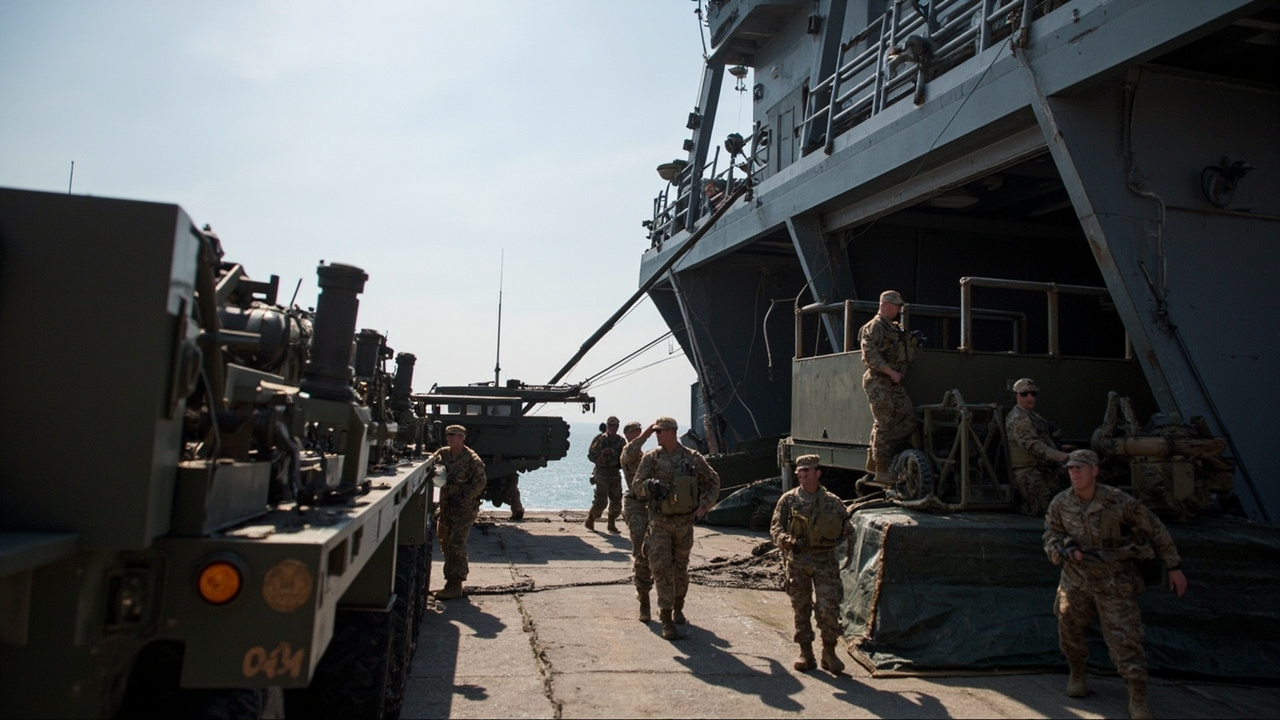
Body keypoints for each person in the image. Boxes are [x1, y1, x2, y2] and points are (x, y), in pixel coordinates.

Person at [1043, 449, 1189, 720]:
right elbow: (1051, 534)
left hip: (1115, 580)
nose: (1074, 473)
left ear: (1094, 471)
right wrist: (1062, 550)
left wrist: (1174, 566)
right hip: (1076, 579)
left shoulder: (1118, 501)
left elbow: (1155, 529)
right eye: (1071, 469)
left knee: (1126, 640)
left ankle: (1137, 696)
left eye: (1080, 468)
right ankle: (1077, 673)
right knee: (1069, 629)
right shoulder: (1061, 503)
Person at [633, 416, 720, 640]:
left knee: (680, 569)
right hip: (659, 523)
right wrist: (648, 485)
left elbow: (712, 481)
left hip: (684, 524)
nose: (656, 435)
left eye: (660, 432)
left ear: (672, 432)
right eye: (655, 432)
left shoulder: (692, 458)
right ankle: (666, 617)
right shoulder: (651, 459)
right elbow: (636, 487)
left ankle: (678, 606)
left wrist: (703, 507)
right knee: (660, 569)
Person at [770, 455, 853, 674]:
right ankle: (806, 653)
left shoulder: (832, 502)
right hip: (798, 561)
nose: (801, 474)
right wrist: (787, 541)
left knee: (828, 608)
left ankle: (829, 652)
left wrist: (843, 533)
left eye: (806, 470)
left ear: (818, 473)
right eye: (799, 471)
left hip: (825, 562)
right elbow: (776, 528)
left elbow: (847, 527)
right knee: (801, 608)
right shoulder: (788, 500)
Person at [858, 290, 918, 478]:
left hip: (893, 383)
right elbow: (870, 355)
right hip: (879, 381)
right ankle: (881, 468)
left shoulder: (892, 327)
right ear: (885, 305)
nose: (899, 310)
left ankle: (874, 456)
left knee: (908, 418)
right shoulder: (874, 326)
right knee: (884, 423)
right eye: (896, 306)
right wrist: (891, 372)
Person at [431, 424, 488, 600]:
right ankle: (450, 583)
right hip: (447, 507)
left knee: (457, 544)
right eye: (448, 435)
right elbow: (430, 467)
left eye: (454, 435)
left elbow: (481, 482)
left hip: (464, 509)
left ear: (462, 438)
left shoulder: (472, 459)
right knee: (446, 543)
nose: (449, 438)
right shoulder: (443, 453)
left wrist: (465, 498)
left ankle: (455, 584)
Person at [1005, 378, 1070, 516]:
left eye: (1033, 394)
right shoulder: (1017, 418)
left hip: (1044, 468)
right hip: (1028, 471)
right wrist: (1057, 456)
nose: (1030, 397)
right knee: (1044, 508)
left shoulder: (1035, 418)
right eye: (1024, 394)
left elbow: (1045, 439)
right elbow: (1032, 445)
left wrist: (1060, 451)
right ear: (1016, 395)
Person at [620, 420, 655, 621]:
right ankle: (644, 599)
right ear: (627, 435)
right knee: (641, 551)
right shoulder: (627, 452)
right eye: (634, 432)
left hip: (653, 505)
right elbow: (635, 447)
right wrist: (649, 432)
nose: (638, 434)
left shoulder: (646, 457)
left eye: (639, 431)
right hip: (636, 507)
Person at [586, 416, 626, 533]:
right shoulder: (600, 439)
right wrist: (602, 455)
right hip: (602, 471)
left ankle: (611, 523)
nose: (614, 428)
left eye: (616, 426)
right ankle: (591, 518)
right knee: (601, 500)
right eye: (611, 425)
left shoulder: (620, 441)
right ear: (607, 426)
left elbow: (624, 455)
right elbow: (591, 455)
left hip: (614, 471)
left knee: (616, 498)